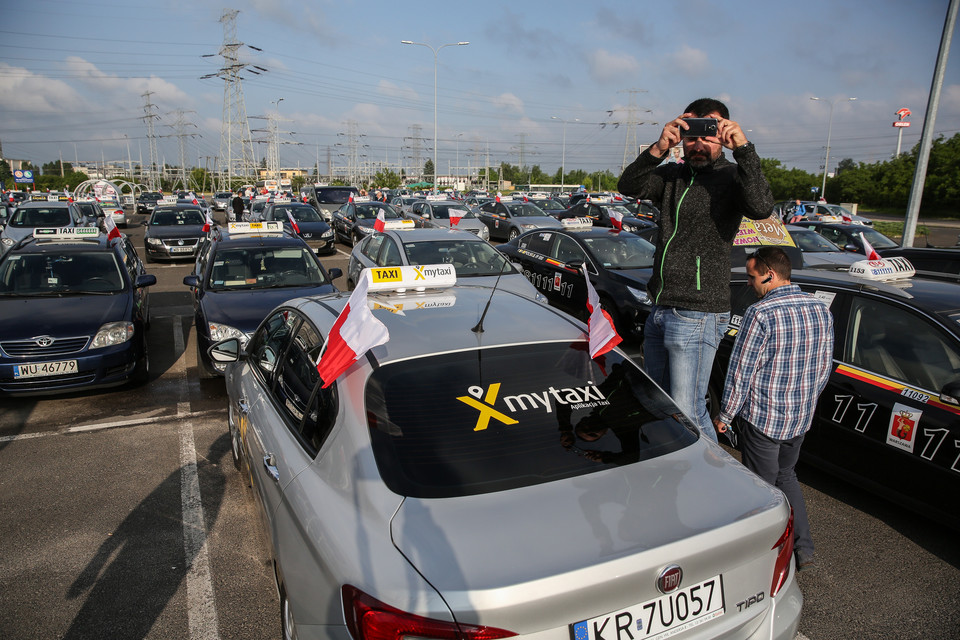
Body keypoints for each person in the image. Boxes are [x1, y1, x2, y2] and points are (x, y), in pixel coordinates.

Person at [617, 97, 774, 441]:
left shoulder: (733, 177)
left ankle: (712, 482)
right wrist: (660, 146)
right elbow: (627, 186)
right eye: (692, 136)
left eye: (710, 135)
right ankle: (673, 469)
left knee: (689, 410)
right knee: (660, 401)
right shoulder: (672, 175)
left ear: (724, 137)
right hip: (661, 305)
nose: (699, 144)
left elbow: (762, 207)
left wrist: (744, 150)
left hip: (698, 312)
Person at [713, 247, 833, 571]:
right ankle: (803, 549)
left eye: (752, 277)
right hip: (799, 420)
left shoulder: (761, 313)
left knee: (761, 493)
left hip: (764, 421)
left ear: (770, 274)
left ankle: (764, 561)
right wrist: (806, 403)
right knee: (787, 477)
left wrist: (725, 416)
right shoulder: (821, 309)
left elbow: (741, 372)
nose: (750, 284)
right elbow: (824, 368)